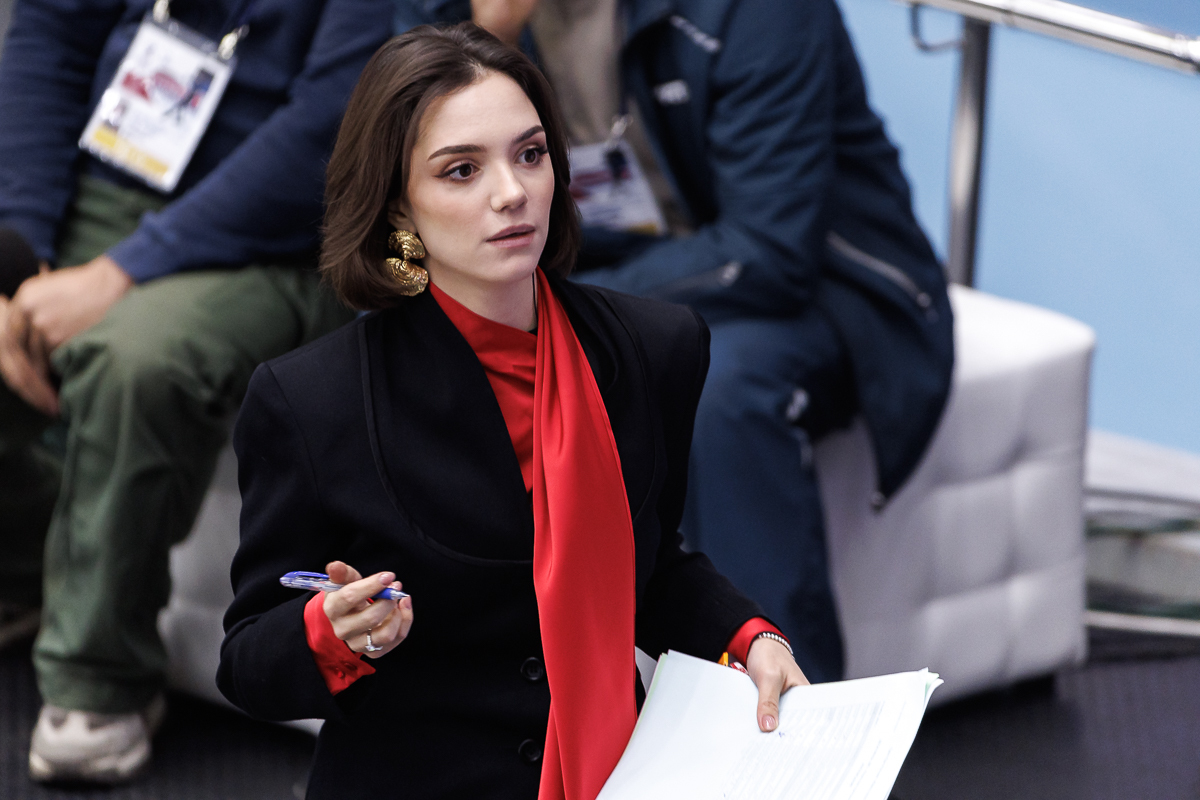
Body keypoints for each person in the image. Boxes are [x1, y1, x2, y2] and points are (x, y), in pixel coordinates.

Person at [218, 23, 807, 799]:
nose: (512, 191)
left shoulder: (656, 347)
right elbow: (247, 663)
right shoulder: (311, 399)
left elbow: (649, 567)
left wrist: (750, 638)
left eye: (530, 155)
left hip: (619, 777)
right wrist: (332, 634)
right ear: (398, 206)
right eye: (462, 170)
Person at [389, 0, 956, 684]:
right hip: (608, 265)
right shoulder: (463, 12)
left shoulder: (756, 12)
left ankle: (791, 713)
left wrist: (567, 310)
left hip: (817, 291)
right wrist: (489, 41)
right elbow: (395, 167)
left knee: (720, 390)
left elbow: (770, 248)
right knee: (423, 343)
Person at [0, 0, 392, 782]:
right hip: (103, 186)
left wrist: (122, 273)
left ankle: (98, 682)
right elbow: (49, 37)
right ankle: (27, 568)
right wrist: (17, 250)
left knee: (138, 362)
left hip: (277, 240)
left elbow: (326, 130)